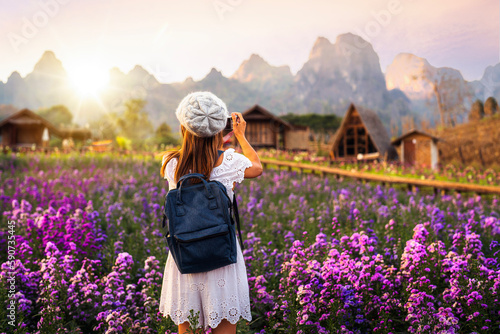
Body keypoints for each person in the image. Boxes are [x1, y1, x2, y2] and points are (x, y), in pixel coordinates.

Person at [159, 91, 263, 333]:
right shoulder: (229, 161)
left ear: (184, 128)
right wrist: (240, 136)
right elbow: (257, 167)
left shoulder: (170, 163)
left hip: (185, 255)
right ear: (219, 128)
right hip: (221, 254)